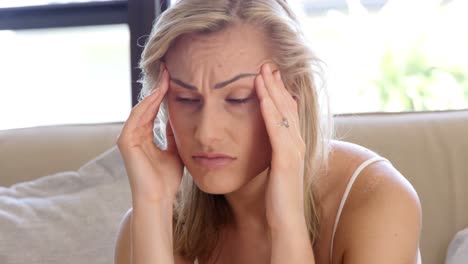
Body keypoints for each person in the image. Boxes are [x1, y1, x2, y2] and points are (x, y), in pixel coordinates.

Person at [114, 0, 422, 263]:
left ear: (294, 95)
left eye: (238, 99)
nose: (207, 134)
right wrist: (152, 206)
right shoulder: (151, 221)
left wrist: (286, 219)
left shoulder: (378, 202)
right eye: (186, 99)